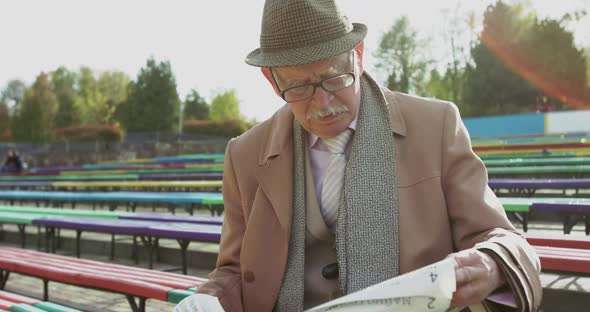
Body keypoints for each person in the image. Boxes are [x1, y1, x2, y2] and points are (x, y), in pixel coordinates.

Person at [177, 0, 542, 311]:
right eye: (299, 87)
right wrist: (205, 300)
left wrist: (492, 264)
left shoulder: (436, 125)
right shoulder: (244, 155)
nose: (322, 103)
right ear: (273, 83)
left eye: (335, 76)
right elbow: (232, 273)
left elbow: (502, 238)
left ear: (359, 55)